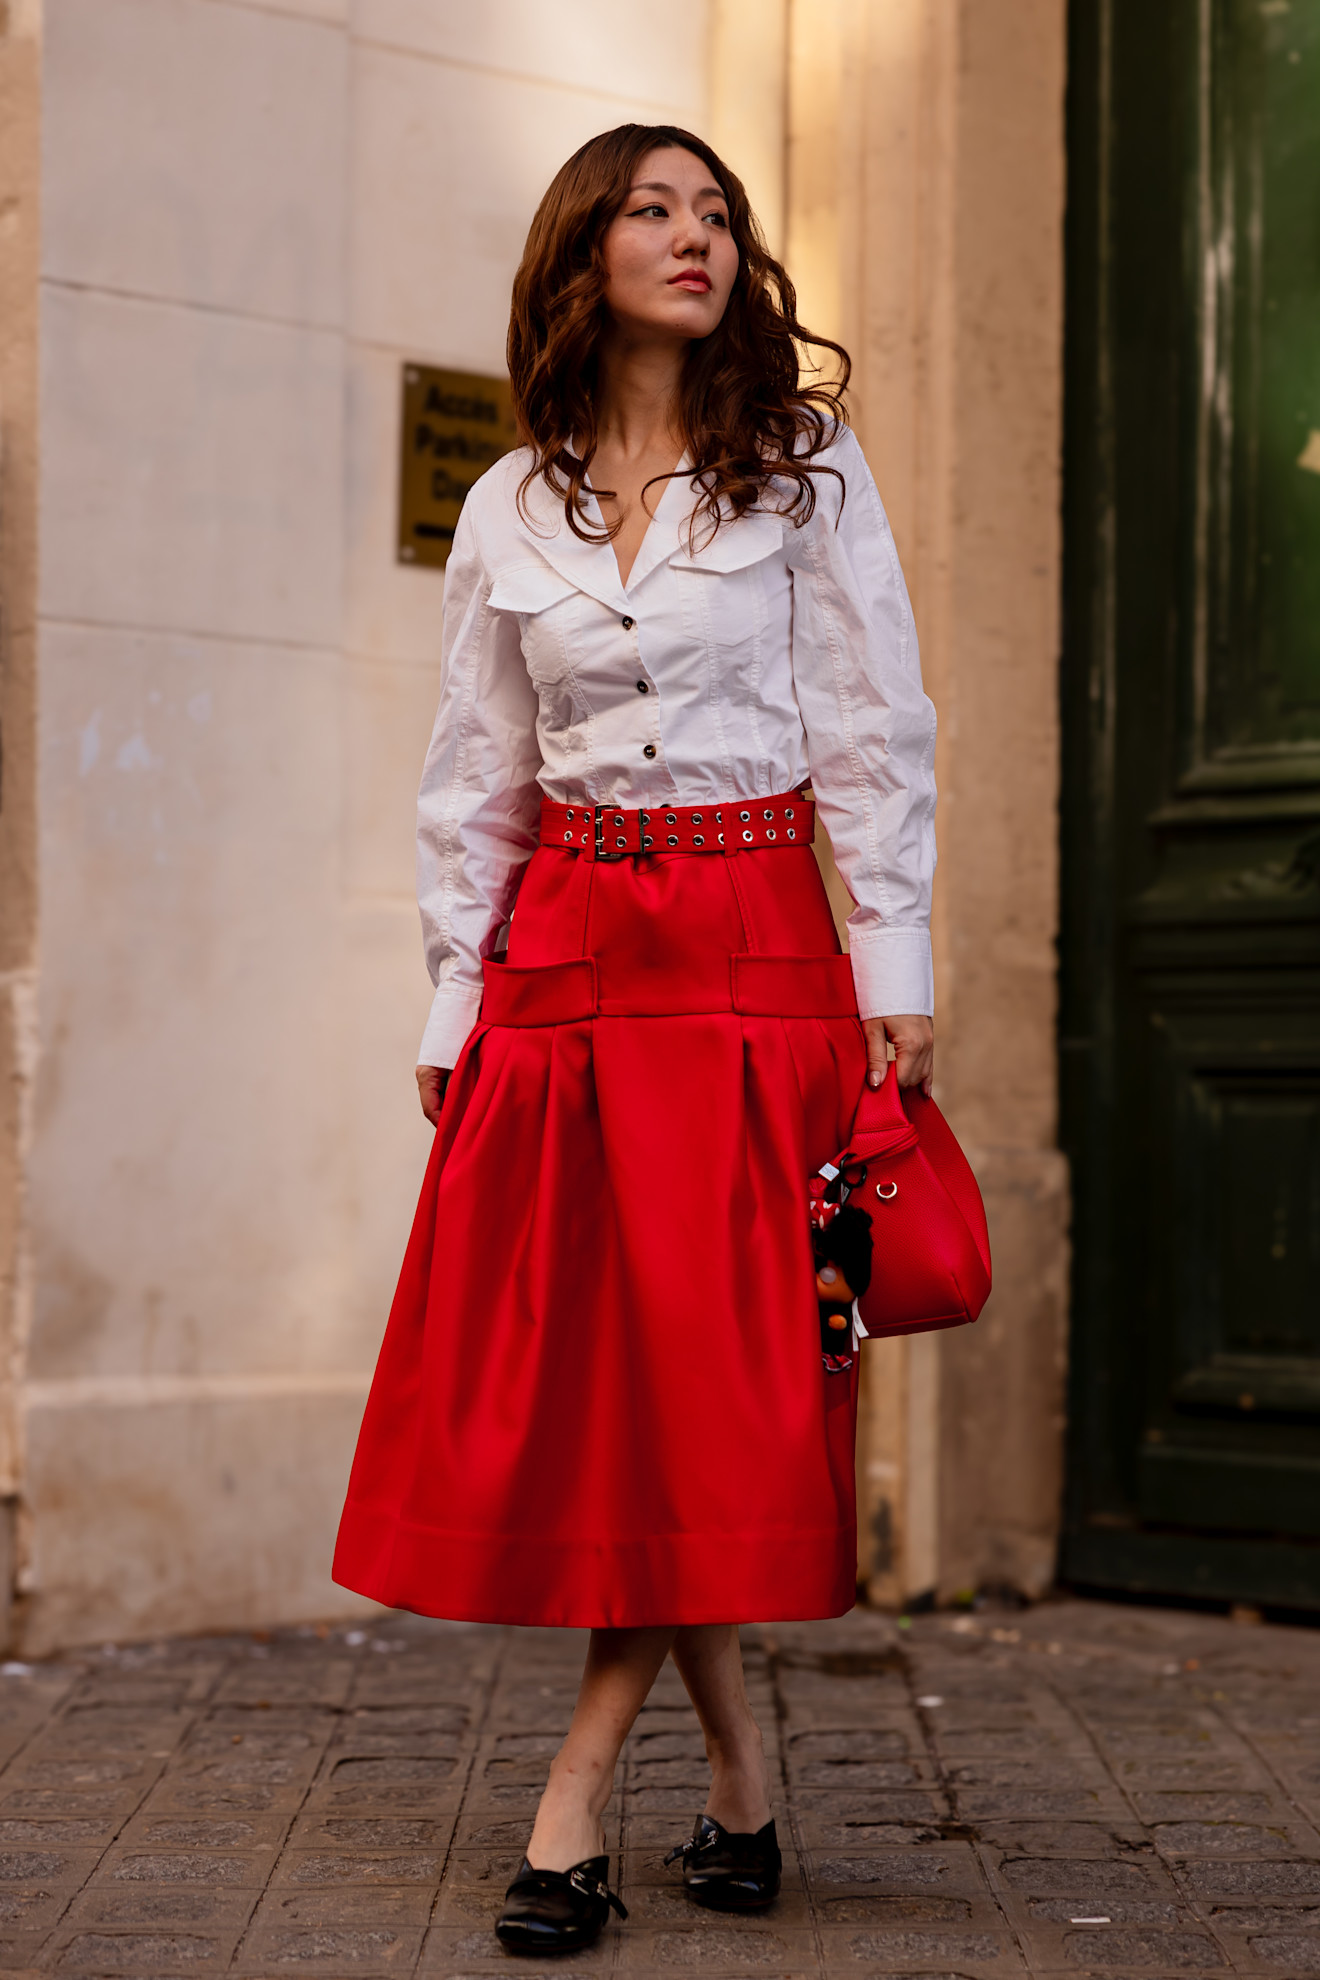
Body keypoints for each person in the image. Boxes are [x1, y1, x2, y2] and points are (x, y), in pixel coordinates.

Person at [333, 122, 936, 1956]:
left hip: (757, 948)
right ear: (581, 253)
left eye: (716, 211)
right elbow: (475, 774)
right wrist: (455, 986)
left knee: (716, 1377)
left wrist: (892, 956)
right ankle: (744, 1794)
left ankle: (571, 1806)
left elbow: (873, 719)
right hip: (570, 960)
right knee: (619, 1382)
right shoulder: (511, 502)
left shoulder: (806, 476)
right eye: (652, 210)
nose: (695, 236)